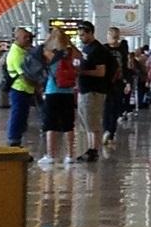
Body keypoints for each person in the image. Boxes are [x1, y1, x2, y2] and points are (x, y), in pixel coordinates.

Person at [38, 28, 79, 166]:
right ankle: (70, 155)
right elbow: (80, 57)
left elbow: (39, 54)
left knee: (51, 124)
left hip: (52, 91)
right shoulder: (70, 52)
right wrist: (70, 43)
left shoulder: (49, 52)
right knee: (68, 124)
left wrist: (48, 40)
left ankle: (51, 155)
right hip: (68, 92)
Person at [76, 21, 111, 162]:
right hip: (85, 89)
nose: (81, 37)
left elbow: (101, 72)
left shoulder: (97, 49)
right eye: (79, 35)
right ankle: (90, 148)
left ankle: (94, 149)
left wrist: (82, 72)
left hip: (94, 90)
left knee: (93, 121)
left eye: (83, 35)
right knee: (87, 121)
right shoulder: (87, 48)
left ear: (90, 32)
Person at [6, 27, 36, 148]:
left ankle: (17, 139)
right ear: (16, 38)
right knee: (17, 115)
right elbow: (24, 75)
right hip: (19, 89)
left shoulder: (22, 51)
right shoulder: (16, 54)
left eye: (28, 37)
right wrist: (37, 85)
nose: (28, 39)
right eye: (25, 37)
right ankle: (14, 141)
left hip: (25, 89)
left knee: (22, 115)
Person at [102, 27, 127, 144]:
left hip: (119, 82)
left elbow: (125, 66)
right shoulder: (104, 49)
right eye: (112, 36)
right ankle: (106, 130)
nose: (114, 39)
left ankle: (111, 132)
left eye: (116, 36)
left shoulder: (122, 49)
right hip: (106, 82)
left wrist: (127, 81)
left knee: (116, 107)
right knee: (107, 107)